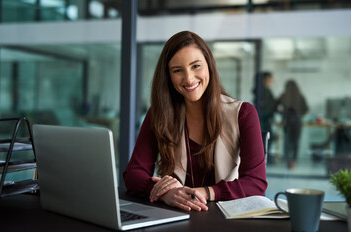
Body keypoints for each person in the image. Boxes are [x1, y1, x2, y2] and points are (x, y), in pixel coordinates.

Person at [123, 31, 267, 212]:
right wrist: (165, 193)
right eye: (177, 70)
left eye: (196, 66)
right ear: (168, 76)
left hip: (225, 217)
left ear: (209, 66)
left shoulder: (243, 113)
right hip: (176, 215)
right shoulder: (158, 114)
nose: (189, 79)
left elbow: (256, 183)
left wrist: (204, 193)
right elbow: (133, 175)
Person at [277, 80, 308, 169]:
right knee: (295, 142)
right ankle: (294, 161)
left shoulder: (284, 96)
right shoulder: (299, 96)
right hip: (297, 121)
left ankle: (287, 160)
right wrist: (298, 113)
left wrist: (282, 113)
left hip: (287, 121)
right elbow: (306, 109)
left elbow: (275, 107)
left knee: (287, 142)